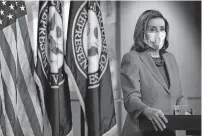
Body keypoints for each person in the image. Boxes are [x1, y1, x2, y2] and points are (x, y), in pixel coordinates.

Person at [120, 10, 189, 136]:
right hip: (141, 130)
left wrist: (184, 110)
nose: (158, 34)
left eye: (162, 29)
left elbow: (178, 96)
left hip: (167, 130)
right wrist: (146, 110)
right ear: (142, 32)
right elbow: (131, 98)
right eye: (152, 29)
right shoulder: (132, 58)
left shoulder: (170, 58)